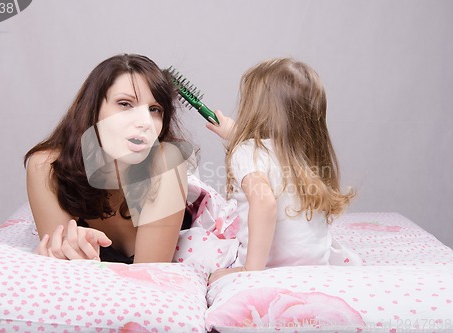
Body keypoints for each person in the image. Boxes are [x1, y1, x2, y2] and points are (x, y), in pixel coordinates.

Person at [25, 54, 192, 263]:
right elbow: (62, 264)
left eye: (154, 110)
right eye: (125, 104)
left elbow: (149, 276)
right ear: (93, 110)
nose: (145, 121)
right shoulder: (46, 166)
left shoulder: (167, 161)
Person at [207, 57, 355, 283]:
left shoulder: (247, 152)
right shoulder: (307, 153)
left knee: (201, 242)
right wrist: (237, 138)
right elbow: (271, 157)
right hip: (317, 267)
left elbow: (264, 202)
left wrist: (250, 271)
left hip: (267, 269)